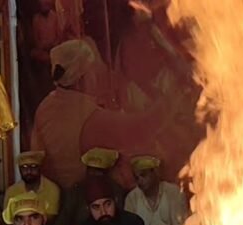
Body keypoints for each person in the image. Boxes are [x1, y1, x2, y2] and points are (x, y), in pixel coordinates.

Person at [30, 39, 185, 193]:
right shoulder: (89, 117)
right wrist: (178, 88)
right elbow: (143, 128)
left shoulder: (45, 107)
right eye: (93, 68)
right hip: (86, 201)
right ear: (81, 77)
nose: (98, 73)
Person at [125, 155, 188, 225]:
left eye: (143, 175)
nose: (140, 181)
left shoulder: (173, 192)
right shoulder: (132, 198)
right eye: (137, 178)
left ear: (155, 173)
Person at [59, 148, 126, 225]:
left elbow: (122, 222)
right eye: (91, 169)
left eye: (98, 171)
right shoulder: (76, 191)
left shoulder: (116, 190)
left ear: (106, 172)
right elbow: (62, 223)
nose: (94, 173)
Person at [5, 151, 61, 225]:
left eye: (33, 167)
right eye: (24, 167)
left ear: (40, 168)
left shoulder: (52, 189)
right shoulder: (11, 191)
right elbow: (8, 221)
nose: (29, 171)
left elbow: (49, 221)